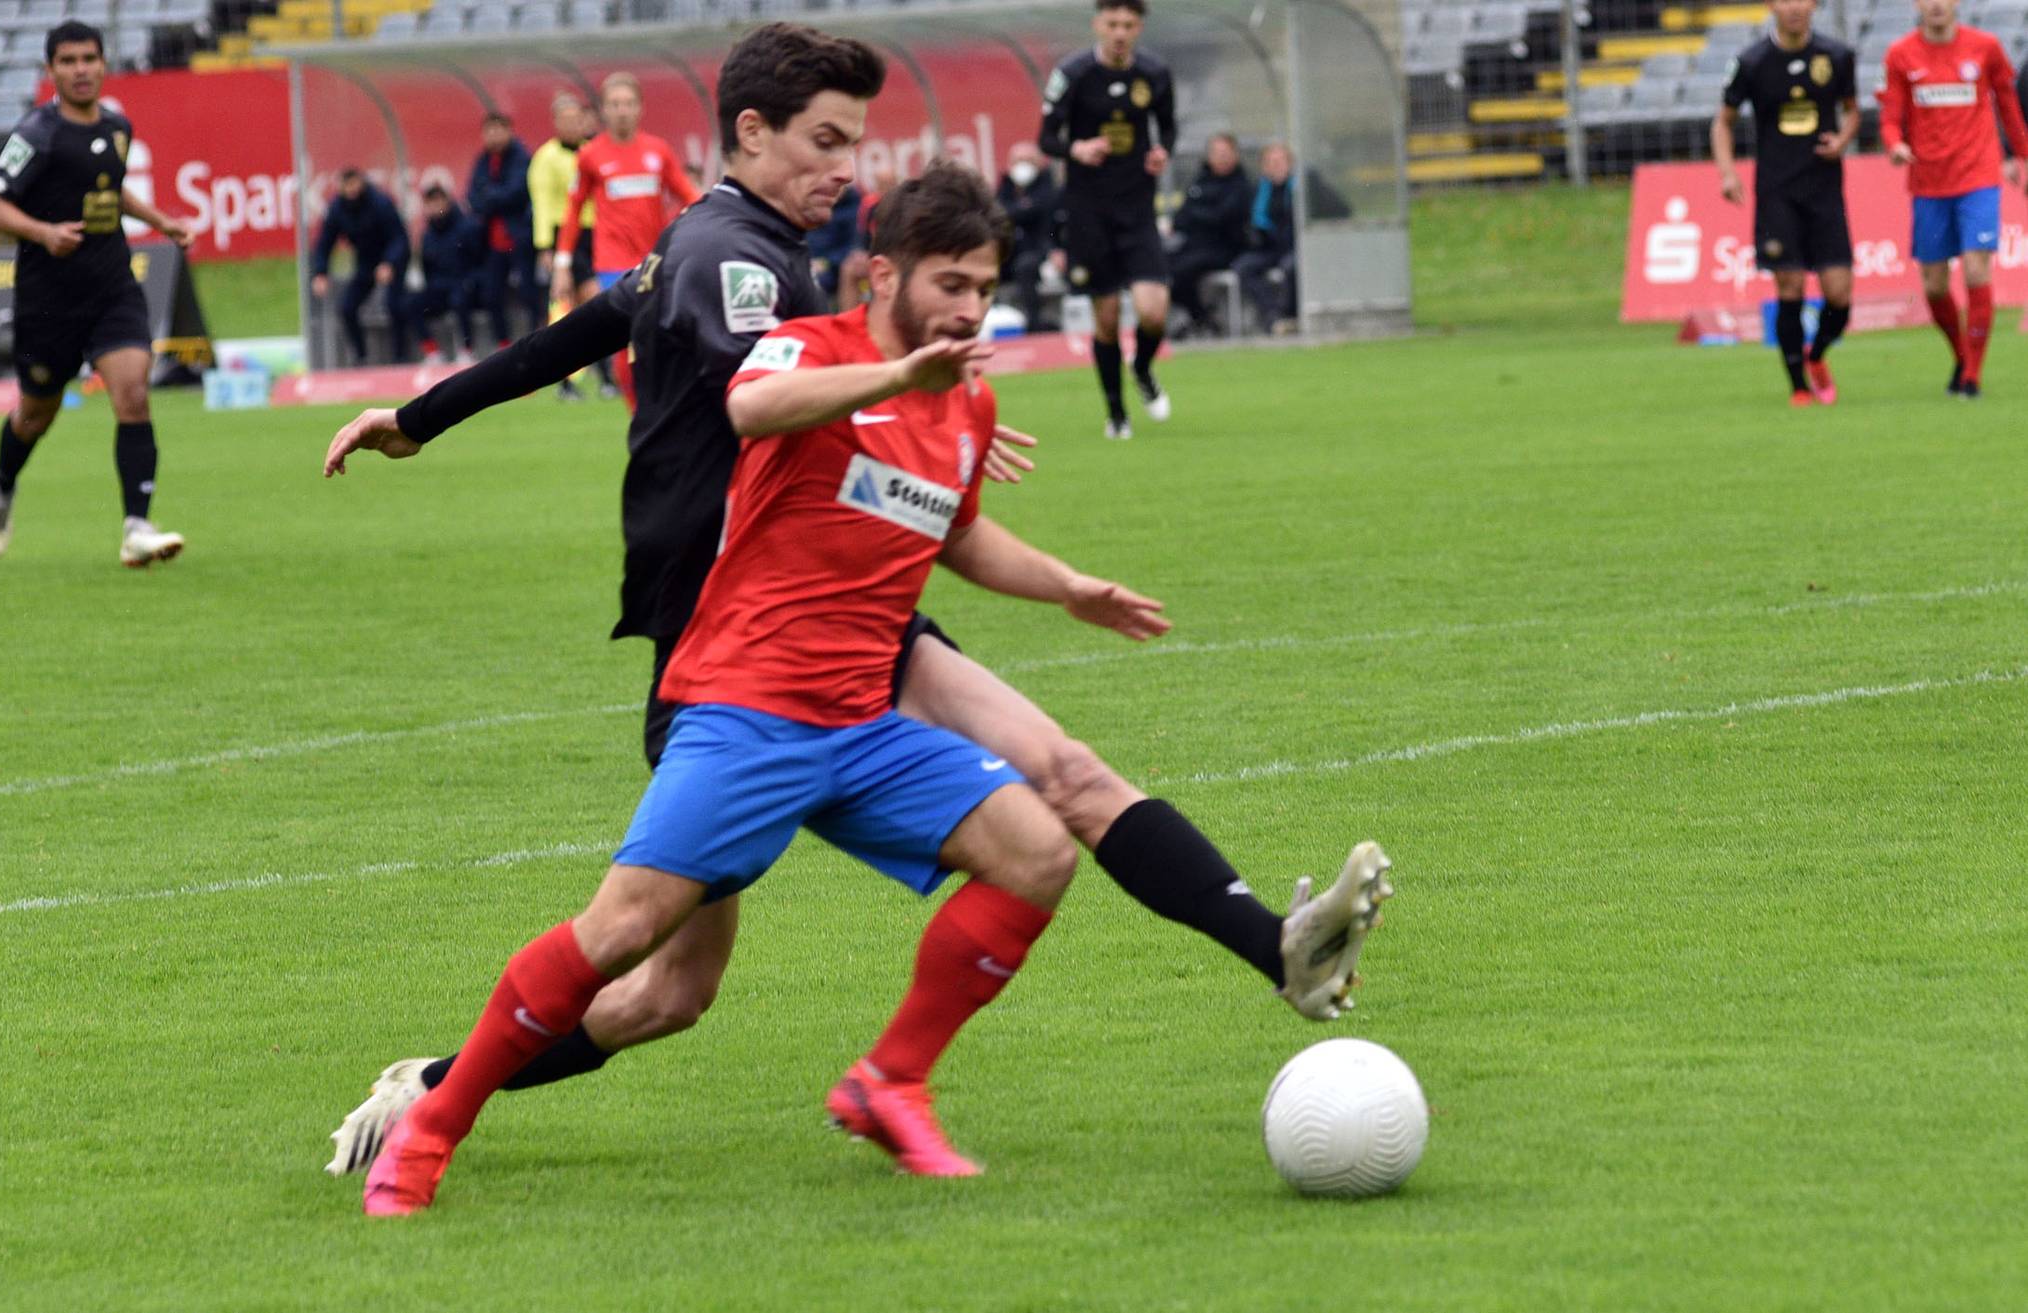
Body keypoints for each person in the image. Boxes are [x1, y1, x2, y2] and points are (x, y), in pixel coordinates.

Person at [319, 21, 1391, 1181]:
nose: (846, 166)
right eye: (825, 141)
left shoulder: (713, 236)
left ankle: (1267, 950)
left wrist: (419, 417)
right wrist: (900, 395)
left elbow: (585, 327)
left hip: (837, 604)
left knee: (1056, 785)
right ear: (752, 132)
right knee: (664, 984)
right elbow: (758, 396)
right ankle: (434, 1090)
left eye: (856, 141)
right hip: (736, 629)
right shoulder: (740, 260)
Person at [0, 21, 192, 567]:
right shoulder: (35, 135)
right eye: (68, 61)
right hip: (49, 301)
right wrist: (45, 233)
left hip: (111, 286)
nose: (81, 69)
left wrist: (162, 221)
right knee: (34, 416)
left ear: (103, 63)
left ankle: (136, 527)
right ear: (51, 72)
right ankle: (3, 484)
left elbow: (109, 188)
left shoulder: (118, 126)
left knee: (133, 393)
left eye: (89, 58)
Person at [1040, 0, 1176, 440]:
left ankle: (1142, 369)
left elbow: (1168, 127)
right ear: (1098, 24)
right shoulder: (1073, 74)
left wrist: (1161, 152)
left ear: (1140, 28)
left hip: (1137, 208)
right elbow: (1046, 136)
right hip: (1089, 211)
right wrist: (1075, 149)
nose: (1120, 32)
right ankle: (1116, 413)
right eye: (1113, 23)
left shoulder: (1154, 74)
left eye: (1129, 25)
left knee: (1154, 311)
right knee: (1107, 317)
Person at [1879, 0, 2028, 398]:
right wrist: (1894, 145)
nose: (1937, 5)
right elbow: (1891, 114)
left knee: (1978, 271)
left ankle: (1973, 376)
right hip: (1928, 182)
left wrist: (2022, 156)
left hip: (1978, 175)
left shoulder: (1986, 47)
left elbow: (2009, 106)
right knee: (1934, 286)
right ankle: (1962, 355)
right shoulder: (1900, 53)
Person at [1713, 0, 1858, 407]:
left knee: (1839, 294)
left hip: (1825, 189)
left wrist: (1843, 140)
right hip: (1777, 190)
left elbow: (1852, 112)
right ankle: (1797, 387)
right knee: (1789, 284)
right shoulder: (1752, 61)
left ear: (1813, 5)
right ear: (1772, 5)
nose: (1794, 8)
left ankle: (1817, 356)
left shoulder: (1835, 56)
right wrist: (1727, 172)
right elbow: (1722, 122)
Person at [552, 70, 702, 408]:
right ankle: (637, 412)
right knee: (624, 338)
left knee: (661, 335)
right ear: (603, 110)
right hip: (611, 263)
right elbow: (573, 211)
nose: (622, 110)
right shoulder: (591, 156)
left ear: (640, 108)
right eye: (615, 104)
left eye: (628, 103)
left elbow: (688, 195)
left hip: (654, 259)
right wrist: (562, 264)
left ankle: (660, 403)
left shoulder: (658, 152)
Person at [528, 93, 610, 401]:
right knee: (590, 305)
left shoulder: (591, 152)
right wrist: (546, 247)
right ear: (556, 121)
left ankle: (587, 381)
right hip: (564, 238)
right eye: (567, 119)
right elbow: (543, 203)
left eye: (578, 118)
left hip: (595, 236)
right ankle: (590, 379)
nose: (573, 124)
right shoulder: (545, 158)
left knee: (582, 311)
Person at [311, 168, 411, 365]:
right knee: (347, 307)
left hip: (392, 259)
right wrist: (320, 272)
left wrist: (389, 263)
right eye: (346, 186)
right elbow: (325, 242)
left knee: (395, 304)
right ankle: (361, 357)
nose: (351, 190)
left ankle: (401, 357)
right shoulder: (338, 208)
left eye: (354, 184)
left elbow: (399, 238)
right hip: (366, 261)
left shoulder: (380, 203)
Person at [466, 111, 539, 350]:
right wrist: (492, 197)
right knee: (491, 295)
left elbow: (516, 192)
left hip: (519, 237)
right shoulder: (482, 160)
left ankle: (538, 341)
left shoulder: (520, 157)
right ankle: (504, 344)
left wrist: (491, 195)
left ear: (509, 131)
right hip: (492, 241)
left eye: (499, 130)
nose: (494, 136)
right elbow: (473, 195)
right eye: (490, 131)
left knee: (528, 293)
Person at [1166, 132, 1252, 338]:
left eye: (1225, 152)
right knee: (1158, 268)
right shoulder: (1200, 181)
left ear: (1235, 155)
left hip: (1225, 248)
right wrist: (1201, 214)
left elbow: (1222, 218)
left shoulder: (1240, 186)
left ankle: (1202, 319)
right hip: (1193, 246)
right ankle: (1202, 318)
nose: (1221, 157)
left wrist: (1197, 213)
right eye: (1216, 152)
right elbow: (1180, 218)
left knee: (1181, 272)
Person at [407, 184, 484, 365]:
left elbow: (479, 260)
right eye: (429, 204)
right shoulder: (427, 235)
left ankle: (466, 350)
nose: (434, 208)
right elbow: (427, 267)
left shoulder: (467, 227)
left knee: (460, 300)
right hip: (439, 287)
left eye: (437, 202)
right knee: (411, 304)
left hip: (465, 285)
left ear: (447, 202)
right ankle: (433, 352)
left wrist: (472, 281)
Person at [1232, 142, 1297, 335]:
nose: (1276, 166)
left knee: (1291, 266)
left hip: (1296, 247)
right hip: (1270, 248)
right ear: (1264, 167)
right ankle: (1272, 315)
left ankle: (1290, 314)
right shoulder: (1258, 191)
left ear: (1290, 163)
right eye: (1271, 162)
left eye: (1280, 161)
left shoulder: (1303, 188)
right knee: (1243, 267)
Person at [996, 142, 1062, 331]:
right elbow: (998, 215)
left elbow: (1039, 214)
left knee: (1025, 266)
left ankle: (1034, 325)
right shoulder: (1004, 190)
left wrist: (1016, 211)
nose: (1023, 166)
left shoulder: (1049, 190)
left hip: (1040, 255)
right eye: (1018, 161)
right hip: (1009, 254)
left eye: (1028, 161)